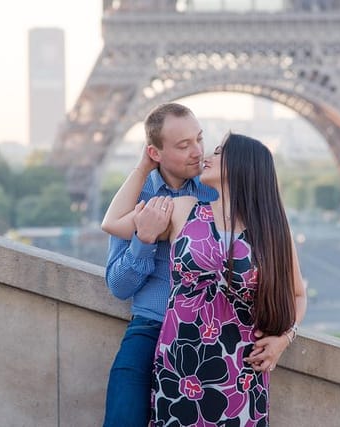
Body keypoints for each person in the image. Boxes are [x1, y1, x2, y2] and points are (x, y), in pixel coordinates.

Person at [103, 132, 307, 425]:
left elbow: (297, 294)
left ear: (241, 165)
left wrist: (284, 339)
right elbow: (112, 223)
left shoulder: (274, 232)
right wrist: (143, 167)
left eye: (220, 152)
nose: (206, 155)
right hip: (179, 362)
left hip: (239, 368)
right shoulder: (183, 210)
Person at [102, 103, 218, 427]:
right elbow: (118, 286)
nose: (197, 151)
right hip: (151, 327)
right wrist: (145, 240)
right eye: (183, 146)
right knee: (122, 417)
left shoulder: (216, 190)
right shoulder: (135, 197)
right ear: (155, 152)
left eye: (199, 139)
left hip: (205, 332)